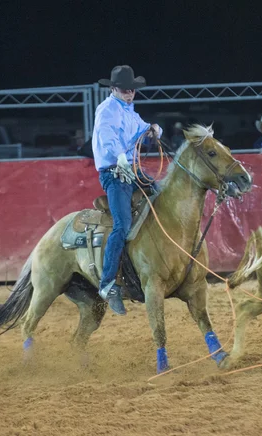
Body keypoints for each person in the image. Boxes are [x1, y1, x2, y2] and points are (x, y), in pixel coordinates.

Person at [92, 65, 162, 315]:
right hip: (114, 172)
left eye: (131, 90)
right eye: (124, 90)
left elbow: (144, 128)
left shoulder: (130, 112)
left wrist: (154, 129)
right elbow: (106, 137)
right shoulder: (107, 110)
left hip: (130, 170)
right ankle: (107, 283)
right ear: (113, 89)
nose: (129, 93)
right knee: (121, 224)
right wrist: (120, 156)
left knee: (161, 195)